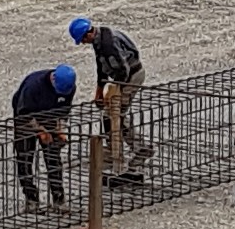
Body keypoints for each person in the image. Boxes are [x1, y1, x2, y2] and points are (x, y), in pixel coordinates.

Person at [71, 17, 144, 184]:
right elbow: (101, 66)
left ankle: (137, 150)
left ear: (88, 33)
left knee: (115, 116)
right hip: (124, 76)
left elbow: (123, 71)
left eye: (83, 39)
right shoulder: (99, 38)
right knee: (109, 116)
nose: (82, 43)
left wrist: (113, 93)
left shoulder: (108, 44)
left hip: (131, 77)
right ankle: (116, 150)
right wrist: (99, 90)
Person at [9, 61, 77, 210]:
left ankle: (58, 198)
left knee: (53, 157)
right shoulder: (33, 87)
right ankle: (31, 197)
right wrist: (40, 131)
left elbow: (64, 111)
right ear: (53, 80)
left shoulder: (68, 88)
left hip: (50, 116)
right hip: (26, 117)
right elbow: (23, 113)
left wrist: (60, 129)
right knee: (25, 157)